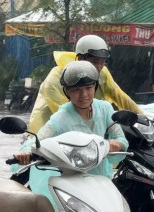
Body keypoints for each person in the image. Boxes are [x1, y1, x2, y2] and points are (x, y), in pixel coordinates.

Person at [14, 61, 128, 203]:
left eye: (88, 87)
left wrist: (111, 145)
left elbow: (121, 140)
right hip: (74, 190)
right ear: (66, 91)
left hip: (104, 183)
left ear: (95, 87)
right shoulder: (60, 119)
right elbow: (37, 141)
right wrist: (25, 153)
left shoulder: (106, 109)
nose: (84, 94)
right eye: (76, 90)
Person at [27, 34, 143, 134]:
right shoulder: (55, 79)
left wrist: (142, 118)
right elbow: (66, 115)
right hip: (46, 134)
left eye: (102, 62)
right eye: (94, 62)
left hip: (85, 130)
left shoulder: (102, 73)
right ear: (79, 58)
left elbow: (121, 97)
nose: (98, 67)